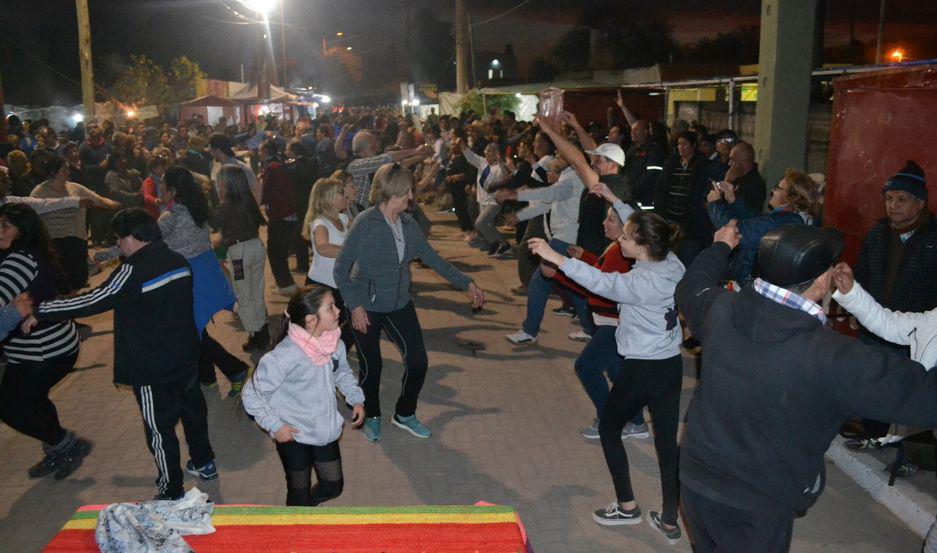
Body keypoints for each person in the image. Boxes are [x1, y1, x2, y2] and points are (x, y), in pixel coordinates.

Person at [675, 222, 937, 553]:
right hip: (757, 504)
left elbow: (691, 284)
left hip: (695, 478)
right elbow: (927, 397)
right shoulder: (834, 358)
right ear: (821, 281)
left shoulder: (720, 308)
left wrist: (720, 247)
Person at [529, 188, 686, 545]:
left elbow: (600, 282)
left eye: (627, 238)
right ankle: (670, 519)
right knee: (666, 443)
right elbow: (646, 225)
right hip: (671, 367)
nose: (622, 241)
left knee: (610, 428)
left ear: (642, 246)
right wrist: (614, 197)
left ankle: (627, 506)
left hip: (642, 369)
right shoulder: (672, 262)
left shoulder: (638, 282)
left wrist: (554, 255)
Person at [29, 208, 218, 500]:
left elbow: (95, 299)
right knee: (194, 412)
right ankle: (205, 462)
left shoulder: (133, 270)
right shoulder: (177, 260)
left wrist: (41, 310)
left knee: (158, 428)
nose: (118, 245)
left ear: (133, 237)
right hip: (185, 354)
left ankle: (170, 488)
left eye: (119, 239)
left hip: (152, 365)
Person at [333, 163, 485, 443]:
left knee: (417, 362)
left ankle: (404, 413)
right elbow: (341, 269)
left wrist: (468, 283)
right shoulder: (365, 223)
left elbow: (433, 258)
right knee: (372, 366)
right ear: (393, 193)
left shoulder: (408, 224)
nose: (411, 198)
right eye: (407, 193)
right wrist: (354, 305)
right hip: (365, 306)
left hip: (400, 303)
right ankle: (373, 415)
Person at [240, 287, 365, 506]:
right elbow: (251, 394)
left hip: (323, 430)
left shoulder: (335, 344)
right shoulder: (286, 355)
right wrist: (275, 426)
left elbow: (342, 373)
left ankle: (305, 511)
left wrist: (355, 398)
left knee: (333, 485)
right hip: (293, 435)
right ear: (310, 320)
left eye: (335, 305)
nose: (338, 311)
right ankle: (298, 528)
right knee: (299, 491)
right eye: (330, 307)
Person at [848, 160, 937, 451]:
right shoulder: (877, 235)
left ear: (920, 203)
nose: (893, 205)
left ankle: (904, 447)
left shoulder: (933, 239)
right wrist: (854, 309)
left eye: (902, 199)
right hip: (873, 327)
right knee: (869, 385)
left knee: (903, 392)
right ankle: (874, 435)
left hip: (910, 334)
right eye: (889, 199)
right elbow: (861, 275)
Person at [0, 203, 88, 481]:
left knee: (11, 408)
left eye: (4, 226)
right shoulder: (18, 254)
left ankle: (68, 444)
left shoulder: (18, 260)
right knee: (33, 400)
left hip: (44, 352)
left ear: (22, 231)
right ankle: (58, 449)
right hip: (35, 350)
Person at [546, 207, 648, 439]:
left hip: (615, 324)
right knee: (617, 372)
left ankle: (609, 422)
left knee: (587, 367)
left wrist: (558, 275)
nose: (604, 222)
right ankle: (637, 422)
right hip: (616, 322)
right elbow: (602, 271)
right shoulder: (618, 248)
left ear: (627, 228)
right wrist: (584, 256)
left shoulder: (620, 251)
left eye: (611, 219)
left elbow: (596, 286)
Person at [159, 167, 247, 396]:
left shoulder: (172, 216)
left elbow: (145, 240)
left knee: (191, 332)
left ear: (173, 190)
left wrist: (107, 253)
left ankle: (235, 368)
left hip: (190, 281)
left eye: (163, 185)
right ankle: (206, 376)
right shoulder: (196, 209)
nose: (160, 189)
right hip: (204, 275)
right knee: (196, 330)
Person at [707, 168, 820, 286]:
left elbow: (736, 233)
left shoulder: (784, 222)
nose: (772, 190)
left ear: (791, 197)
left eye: (778, 188)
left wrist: (715, 204)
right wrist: (733, 200)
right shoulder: (795, 218)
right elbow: (756, 220)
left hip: (750, 286)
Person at [30, 156, 121, 291]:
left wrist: (114, 204)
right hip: (54, 244)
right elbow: (31, 214)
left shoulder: (75, 188)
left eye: (67, 168)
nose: (68, 171)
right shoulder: (39, 192)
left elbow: (99, 200)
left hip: (76, 240)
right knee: (59, 282)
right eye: (63, 169)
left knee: (79, 279)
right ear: (53, 172)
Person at [213, 165, 269, 352]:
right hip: (256, 247)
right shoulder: (248, 200)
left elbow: (215, 234)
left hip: (239, 255)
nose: (217, 184)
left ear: (226, 183)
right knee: (256, 291)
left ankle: (256, 334)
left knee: (244, 295)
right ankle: (262, 330)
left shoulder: (224, 207)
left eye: (219, 181)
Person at [303, 177, 353, 351]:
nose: (345, 194)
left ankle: (335, 355)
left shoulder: (344, 219)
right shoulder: (319, 223)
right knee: (322, 330)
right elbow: (323, 247)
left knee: (352, 323)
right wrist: (352, 251)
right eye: (341, 192)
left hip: (342, 282)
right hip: (322, 285)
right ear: (328, 197)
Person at [654, 131, 709, 266]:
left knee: (686, 257)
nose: (680, 147)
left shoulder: (702, 165)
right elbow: (660, 187)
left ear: (693, 145)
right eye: (678, 144)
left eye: (684, 144)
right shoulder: (671, 163)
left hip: (689, 220)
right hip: (669, 217)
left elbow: (699, 190)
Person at [259, 140, 300, 296]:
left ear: (266, 152)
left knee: (275, 251)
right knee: (279, 250)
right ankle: (285, 283)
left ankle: (285, 284)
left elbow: (267, 192)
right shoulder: (279, 165)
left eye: (260, 151)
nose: (258, 154)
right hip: (287, 212)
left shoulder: (272, 168)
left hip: (280, 213)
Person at [461, 141, 511, 257]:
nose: (487, 155)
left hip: (494, 201)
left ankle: (493, 243)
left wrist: (501, 163)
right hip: (482, 200)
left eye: (490, 153)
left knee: (479, 223)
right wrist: (464, 148)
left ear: (495, 154)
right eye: (486, 152)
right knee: (488, 225)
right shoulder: (482, 163)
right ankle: (505, 245)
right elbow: (471, 157)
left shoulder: (499, 167)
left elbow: (505, 177)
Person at [714, 141, 766, 215]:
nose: (729, 163)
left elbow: (733, 208)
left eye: (732, 159)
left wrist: (727, 181)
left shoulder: (754, 184)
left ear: (742, 162)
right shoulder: (737, 177)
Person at [141, 155, 169, 219]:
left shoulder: (166, 179)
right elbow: (147, 195)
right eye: (163, 167)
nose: (166, 169)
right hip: (156, 215)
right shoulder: (149, 181)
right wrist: (155, 200)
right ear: (154, 169)